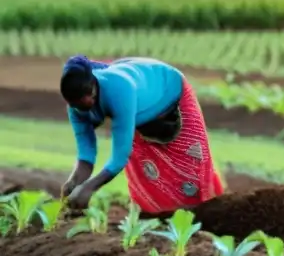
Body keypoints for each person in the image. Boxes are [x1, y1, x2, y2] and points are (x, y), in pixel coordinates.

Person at [59, 55, 224, 213]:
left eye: (91, 98)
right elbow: (86, 155)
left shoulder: (119, 89)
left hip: (168, 89)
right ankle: (158, 218)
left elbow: (119, 157)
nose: (87, 105)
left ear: (94, 85)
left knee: (190, 164)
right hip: (139, 108)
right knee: (147, 175)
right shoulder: (76, 110)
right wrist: (74, 183)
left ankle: (205, 214)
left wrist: (89, 187)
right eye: (79, 105)